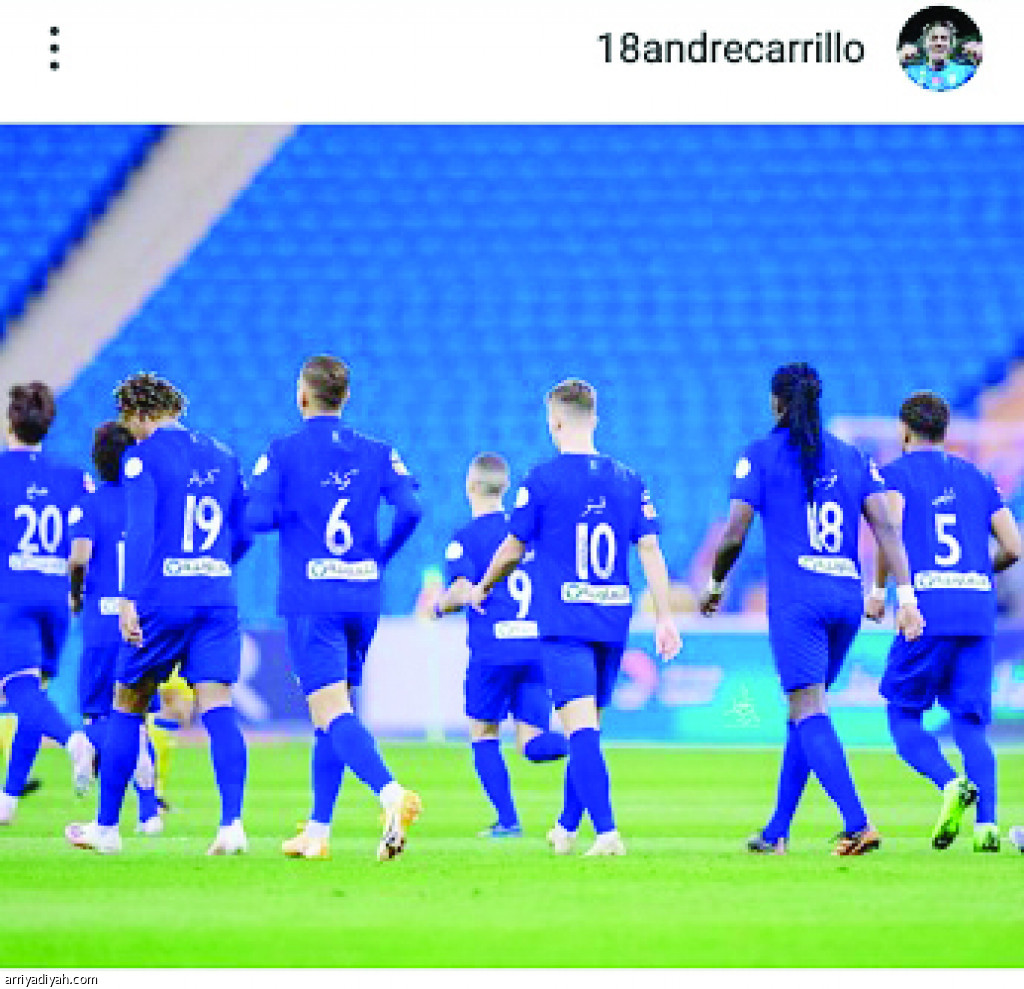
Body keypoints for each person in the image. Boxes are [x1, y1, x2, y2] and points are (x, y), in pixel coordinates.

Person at [697, 362, 924, 856]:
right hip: (845, 599)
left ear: (776, 403)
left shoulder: (760, 454)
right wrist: (904, 596)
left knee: (808, 709)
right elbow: (887, 529)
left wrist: (715, 584)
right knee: (803, 711)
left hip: (799, 600)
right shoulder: (853, 456)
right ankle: (777, 831)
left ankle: (858, 823)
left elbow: (733, 533)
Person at [469, 379, 681, 857]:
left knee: (581, 732)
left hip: (566, 624)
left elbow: (513, 548)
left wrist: (483, 585)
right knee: (587, 730)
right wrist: (665, 617)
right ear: (595, 419)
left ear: (555, 422)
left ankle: (607, 834)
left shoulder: (542, 479)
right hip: (612, 619)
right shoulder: (629, 479)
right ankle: (566, 827)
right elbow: (650, 549)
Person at [246, 355, 423, 862]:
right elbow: (412, 509)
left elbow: (255, 518)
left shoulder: (283, 451)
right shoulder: (378, 451)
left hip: (313, 596)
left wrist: (290, 511)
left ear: (303, 396)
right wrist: (381, 557)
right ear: (345, 398)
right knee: (333, 709)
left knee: (330, 710)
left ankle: (391, 794)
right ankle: (318, 831)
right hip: (362, 595)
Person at [65, 373, 250, 855]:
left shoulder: (141, 458)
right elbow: (245, 529)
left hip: (163, 598)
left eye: (130, 421)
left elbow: (141, 531)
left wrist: (129, 598)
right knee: (218, 706)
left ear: (143, 414)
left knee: (126, 703)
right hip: (216, 594)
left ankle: (107, 828)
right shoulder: (224, 455)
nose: (130, 432)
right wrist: (215, 566)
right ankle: (232, 825)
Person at [865, 391, 1020, 853]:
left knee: (903, 716)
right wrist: (975, 573)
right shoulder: (979, 477)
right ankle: (987, 827)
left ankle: (950, 784)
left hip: (927, 609)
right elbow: (1013, 546)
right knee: (971, 725)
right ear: (945, 430)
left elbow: (889, 532)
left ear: (904, 430)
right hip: (976, 610)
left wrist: (880, 591)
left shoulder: (894, 475)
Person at [430, 452, 568, 838]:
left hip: (493, 650)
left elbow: (461, 590)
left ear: (470, 486)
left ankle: (508, 821)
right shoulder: (528, 533)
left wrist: (438, 606)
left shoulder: (467, 538)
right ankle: (581, 742)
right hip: (535, 648)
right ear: (504, 487)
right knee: (531, 742)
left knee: (484, 733)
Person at [0, 383, 96, 826]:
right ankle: (8, 798)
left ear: (10, 423)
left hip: (10, 595)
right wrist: (75, 589)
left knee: (19, 691)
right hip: (55, 596)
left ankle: (75, 741)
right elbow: (84, 547)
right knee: (31, 693)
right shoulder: (73, 475)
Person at [68, 421, 161, 834]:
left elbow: (79, 556)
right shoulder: (147, 503)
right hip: (140, 622)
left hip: (101, 624)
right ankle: (148, 814)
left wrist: (75, 594)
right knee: (136, 715)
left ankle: (91, 746)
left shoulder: (89, 504)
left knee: (98, 716)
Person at [899, 20, 981, 92]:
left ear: (951, 45)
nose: (939, 43)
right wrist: (900, 57)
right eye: (933, 38)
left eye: (944, 38)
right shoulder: (911, 73)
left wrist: (980, 56)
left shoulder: (966, 72)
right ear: (925, 44)